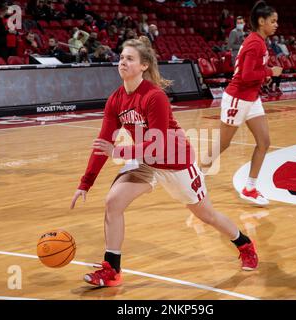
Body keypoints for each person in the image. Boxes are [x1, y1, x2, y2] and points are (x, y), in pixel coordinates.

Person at [70, 37, 258, 287]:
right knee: (113, 202)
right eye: (121, 57)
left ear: (144, 66)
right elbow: (103, 143)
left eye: (129, 58)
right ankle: (111, 269)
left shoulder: (154, 96)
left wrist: (119, 153)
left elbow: (157, 145)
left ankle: (244, 244)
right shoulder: (115, 100)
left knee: (206, 215)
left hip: (175, 161)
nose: (122, 62)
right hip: (145, 160)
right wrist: (86, 182)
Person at [206, 1, 283, 206]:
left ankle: (250, 187)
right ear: (261, 21)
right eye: (273, 21)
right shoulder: (255, 42)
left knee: (264, 142)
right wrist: (269, 72)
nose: (276, 24)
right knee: (224, 143)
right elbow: (247, 75)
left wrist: (262, 77)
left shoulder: (259, 40)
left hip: (252, 97)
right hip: (238, 98)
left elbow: (250, 74)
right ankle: (196, 173)